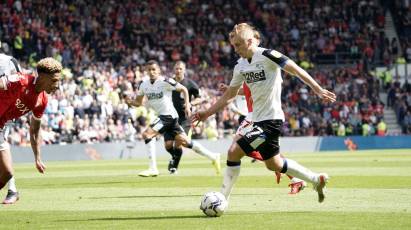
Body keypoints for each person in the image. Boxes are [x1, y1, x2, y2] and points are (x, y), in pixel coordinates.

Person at [192, 23, 336, 204]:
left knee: (233, 152)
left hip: (270, 120)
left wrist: (318, 89)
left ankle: (222, 200)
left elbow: (296, 69)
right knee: (273, 164)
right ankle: (315, 179)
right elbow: (230, 95)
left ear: (250, 41)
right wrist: (207, 113)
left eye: (238, 45)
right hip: (257, 120)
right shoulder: (240, 66)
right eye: (233, 46)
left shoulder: (268, 55)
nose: (235, 50)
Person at [126, 60, 220, 177]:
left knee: (147, 135)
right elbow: (138, 103)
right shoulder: (143, 85)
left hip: (168, 116)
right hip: (168, 117)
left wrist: (188, 106)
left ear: (159, 71)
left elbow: (184, 89)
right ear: (146, 71)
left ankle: (153, 168)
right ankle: (213, 156)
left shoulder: (165, 81)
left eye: (154, 69)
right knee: (184, 142)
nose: (151, 72)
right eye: (149, 70)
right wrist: (130, 102)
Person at [220, 82, 307, 195]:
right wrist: (230, 89)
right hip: (253, 116)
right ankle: (292, 176)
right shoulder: (246, 70)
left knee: (238, 148)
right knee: (246, 149)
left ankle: (293, 176)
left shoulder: (256, 70)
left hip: (256, 116)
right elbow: (246, 92)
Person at [0, 57, 62, 204]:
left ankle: (13, 191)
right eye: (54, 80)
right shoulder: (20, 80)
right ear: (42, 77)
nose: (57, 85)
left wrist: (37, 158)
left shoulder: (42, 100)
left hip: (1, 127)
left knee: (7, 173)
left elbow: (34, 130)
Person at [0, 48, 22, 204]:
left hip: (5, 111)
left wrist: (13, 111)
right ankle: (12, 189)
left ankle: (13, 189)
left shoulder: (8, 61)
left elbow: (20, 85)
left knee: (2, 147)